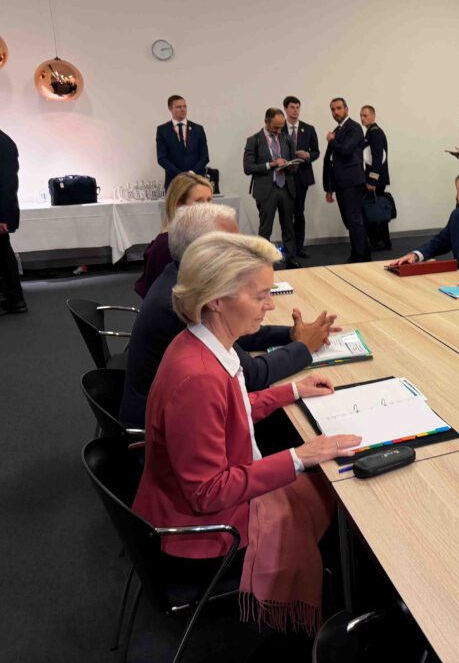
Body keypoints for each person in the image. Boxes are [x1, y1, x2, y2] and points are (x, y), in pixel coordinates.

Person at [131, 231, 360, 633]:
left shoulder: (202, 343)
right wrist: (299, 456)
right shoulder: (199, 377)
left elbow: (229, 409)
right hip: (201, 532)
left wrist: (292, 390)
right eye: (260, 296)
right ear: (216, 300)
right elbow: (208, 492)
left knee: (325, 488)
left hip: (185, 505)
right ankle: (316, 624)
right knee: (337, 492)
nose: (270, 305)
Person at [120, 203, 337, 428]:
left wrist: (290, 335)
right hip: (161, 429)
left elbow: (236, 335)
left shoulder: (180, 280)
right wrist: (304, 346)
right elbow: (252, 375)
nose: (243, 253)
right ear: (204, 252)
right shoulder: (184, 305)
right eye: (233, 246)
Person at [134, 172, 213, 298]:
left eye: (209, 200)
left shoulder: (200, 237)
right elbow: (163, 297)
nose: (208, 207)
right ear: (179, 205)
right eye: (199, 201)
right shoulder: (165, 246)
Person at [0, 98, 26, 319]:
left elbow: (6, 184)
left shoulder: (0, 142)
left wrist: (1, 217)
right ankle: (9, 298)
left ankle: (0, 299)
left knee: (1, 256)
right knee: (1, 255)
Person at [244, 107, 300, 268]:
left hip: (286, 188)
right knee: (265, 228)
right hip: (266, 190)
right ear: (266, 122)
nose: (278, 131)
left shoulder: (286, 138)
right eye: (275, 127)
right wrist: (271, 164)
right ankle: (263, 262)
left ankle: (290, 258)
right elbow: (248, 168)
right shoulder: (254, 140)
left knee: (288, 226)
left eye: (281, 127)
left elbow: (294, 164)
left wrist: (291, 165)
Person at [323, 98, 371, 263]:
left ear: (346, 109)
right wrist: (329, 187)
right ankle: (357, 254)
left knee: (354, 221)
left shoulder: (354, 127)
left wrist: (331, 140)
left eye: (338, 108)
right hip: (340, 183)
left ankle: (362, 258)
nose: (335, 112)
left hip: (352, 182)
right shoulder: (337, 129)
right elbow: (329, 160)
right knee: (349, 222)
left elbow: (346, 150)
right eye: (333, 109)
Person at [283, 96, 321, 259]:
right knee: (286, 213)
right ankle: (288, 247)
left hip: (302, 176)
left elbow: (316, 152)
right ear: (286, 109)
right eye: (292, 107)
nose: (295, 110)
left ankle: (299, 246)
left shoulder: (308, 129)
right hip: (284, 176)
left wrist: (308, 155)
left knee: (299, 212)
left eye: (298, 107)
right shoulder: (279, 128)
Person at [156, 95, 209, 190]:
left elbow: (204, 157)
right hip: (174, 182)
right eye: (178, 107)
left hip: (196, 181)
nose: (183, 109)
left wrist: (191, 173)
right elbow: (162, 158)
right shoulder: (163, 130)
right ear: (170, 108)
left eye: (184, 106)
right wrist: (181, 175)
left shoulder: (198, 129)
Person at [360, 105, 392, 251]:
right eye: (361, 115)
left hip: (376, 180)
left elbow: (377, 158)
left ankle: (380, 241)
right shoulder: (370, 132)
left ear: (373, 116)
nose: (362, 118)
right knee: (375, 209)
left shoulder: (375, 133)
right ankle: (381, 241)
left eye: (365, 115)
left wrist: (372, 180)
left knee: (373, 209)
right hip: (376, 178)